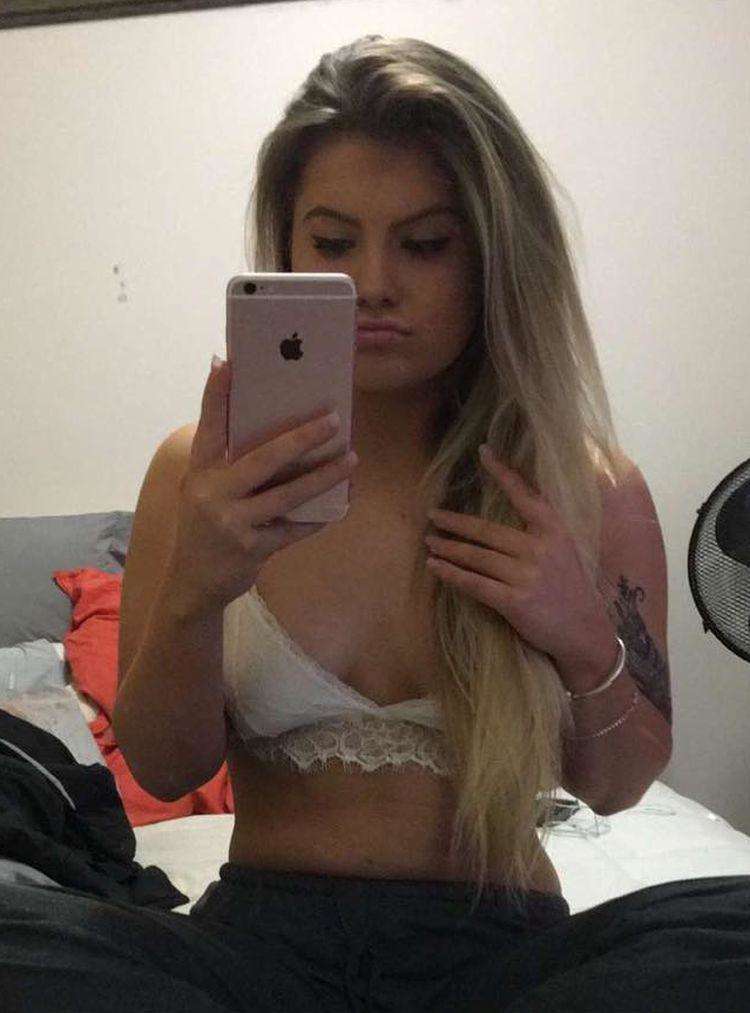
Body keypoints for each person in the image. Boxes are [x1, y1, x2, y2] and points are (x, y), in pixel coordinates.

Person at [3, 33, 750, 1013]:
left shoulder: (583, 485)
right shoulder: (202, 472)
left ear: (492, 255)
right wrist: (196, 592)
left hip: (506, 959)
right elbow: (167, 765)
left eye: (426, 244)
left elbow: (617, 785)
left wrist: (582, 637)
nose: (375, 284)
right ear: (288, 246)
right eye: (333, 242)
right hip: (258, 953)